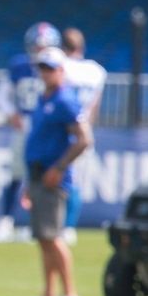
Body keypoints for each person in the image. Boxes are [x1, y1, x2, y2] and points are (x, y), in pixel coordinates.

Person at [20, 47, 92, 296]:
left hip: (53, 177)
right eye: (42, 68)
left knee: (54, 237)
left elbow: (83, 139)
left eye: (50, 68)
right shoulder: (44, 97)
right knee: (44, 238)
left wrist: (59, 168)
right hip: (39, 174)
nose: (45, 73)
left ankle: (70, 295)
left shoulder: (65, 100)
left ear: (62, 70)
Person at [0, 22, 61, 243]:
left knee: (42, 177)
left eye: (44, 46)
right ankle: (6, 221)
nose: (40, 51)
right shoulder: (20, 66)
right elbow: (1, 95)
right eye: (37, 46)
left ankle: (39, 223)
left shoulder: (58, 68)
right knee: (17, 174)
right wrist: (12, 114)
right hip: (25, 126)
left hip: (47, 129)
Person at [61, 27, 106, 245]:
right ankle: (69, 227)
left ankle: (63, 226)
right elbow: (95, 106)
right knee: (75, 182)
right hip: (85, 127)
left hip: (64, 130)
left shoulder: (62, 67)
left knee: (62, 180)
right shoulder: (95, 71)